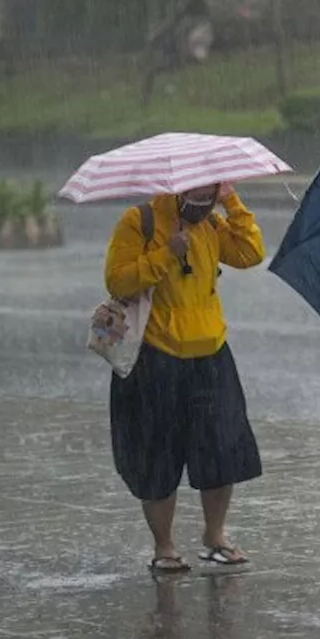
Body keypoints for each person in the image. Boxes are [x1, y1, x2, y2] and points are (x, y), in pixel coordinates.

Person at [104, 182, 265, 574]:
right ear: (174, 189)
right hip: (157, 356)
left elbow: (250, 252)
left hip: (211, 351)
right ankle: (164, 546)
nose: (202, 200)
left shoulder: (212, 224)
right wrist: (165, 255)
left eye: (210, 193)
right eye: (195, 193)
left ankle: (215, 536)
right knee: (157, 455)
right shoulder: (138, 222)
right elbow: (118, 280)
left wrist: (232, 202)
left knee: (222, 449)